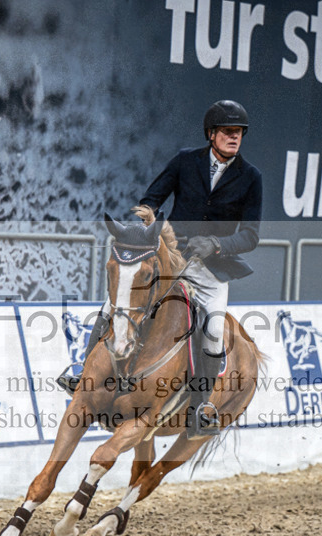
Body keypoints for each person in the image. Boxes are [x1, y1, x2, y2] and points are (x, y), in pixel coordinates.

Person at [59, 99, 262, 438]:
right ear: (211, 134)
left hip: (212, 271)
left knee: (213, 330)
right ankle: (83, 374)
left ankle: (200, 409)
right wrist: (145, 227)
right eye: (228, 131)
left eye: (239, 132)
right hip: (171, 258)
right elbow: (152, 198)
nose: (234, 137)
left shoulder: (251, 177)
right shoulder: (185, 161)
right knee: (114, 305)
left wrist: (215, 244)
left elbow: (251, 236)